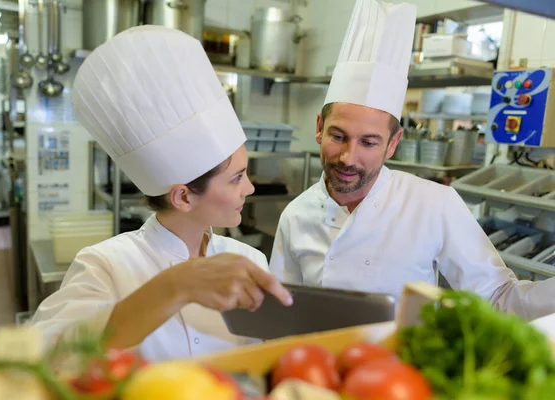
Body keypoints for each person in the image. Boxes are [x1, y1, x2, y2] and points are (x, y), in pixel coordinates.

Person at [269, 0, 555, 320]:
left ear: (393, 143)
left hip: (404, 366)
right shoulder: (295, 216)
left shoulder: (435, 204)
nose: (349, 157)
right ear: (319, 128)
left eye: (369, 142)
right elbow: (282, 315)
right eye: (339, 136)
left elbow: (499, 297)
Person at [31, 25, 292, 362]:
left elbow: (259, 360)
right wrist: (176, 285)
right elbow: (47, 356)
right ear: (183, 197)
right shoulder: (105, 264)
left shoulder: (250, 261)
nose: (250, 187)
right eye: (236, 178)